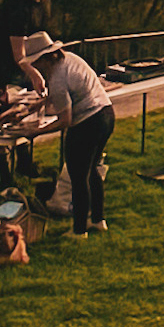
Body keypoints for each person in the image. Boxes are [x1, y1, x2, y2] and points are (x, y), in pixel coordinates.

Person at [16, 31, 115, 239]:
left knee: (78, 176)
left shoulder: (57, 77)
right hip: (106, 114)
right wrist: (35, 106)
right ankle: (97, 220)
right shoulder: (69, 59)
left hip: (88, 121)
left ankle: (79, 230)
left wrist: (36, 132)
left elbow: (65, 120)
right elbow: (63, 93)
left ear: (43, 59)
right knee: (92, 170)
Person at [0, 0, 64, 185]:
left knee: (22, 111)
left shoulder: (42, 4)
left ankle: (24, 163)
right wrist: (35, 73)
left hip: (22, 65)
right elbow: (19, 54)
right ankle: (5, 174)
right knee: (1, 115)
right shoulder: (18, 7)